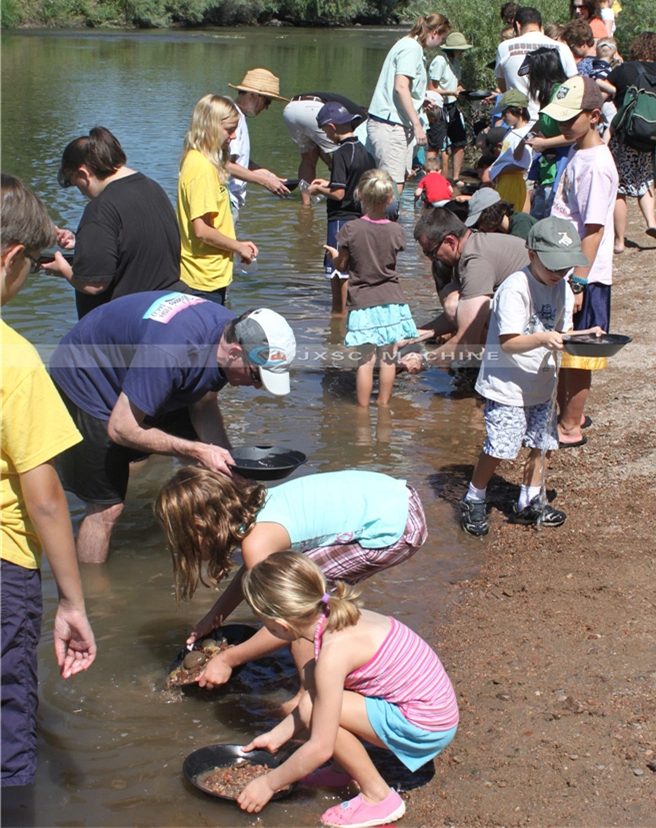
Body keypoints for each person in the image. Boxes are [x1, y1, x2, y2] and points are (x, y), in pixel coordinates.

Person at [49, 294, 295, 563]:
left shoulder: (226, 336)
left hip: (144, 369)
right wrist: (197, 449)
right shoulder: (172, 350)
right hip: (88, 379)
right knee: (107, 508)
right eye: (257, 376)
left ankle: (210, 559)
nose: (259, 386)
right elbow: (120, 427)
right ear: (235, 352)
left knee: (215, 470)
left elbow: (204, 403)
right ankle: (92, 594)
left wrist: (229, 463)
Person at [234, 551, 459, 825]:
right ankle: (343, 770)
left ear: (281, 626)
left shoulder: (333, 653)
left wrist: (268, 783)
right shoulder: (337, 615)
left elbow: (320, 747)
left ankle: (378, 796)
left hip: (425, 726)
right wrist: (277, 735)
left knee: (311, 708)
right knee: (319, 698)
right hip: (437, 712)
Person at [154, 468, 427, 689]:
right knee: (299, 592)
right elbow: (254, 569)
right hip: (396, 497)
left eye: (181, 540)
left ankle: (312, 694)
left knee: (299, 609)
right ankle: (325, 670)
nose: (180, 549)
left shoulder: (256, 543)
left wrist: (227, 659)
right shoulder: (252, 511)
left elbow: (288, 622)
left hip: (394, 527)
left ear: (201, 529)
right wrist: (215, 616)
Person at [1, 175, 96, 788]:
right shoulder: (14, 359)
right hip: (4, 565)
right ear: (11, 258)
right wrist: (72, 601)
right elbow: (46, 498)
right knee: (8, 726)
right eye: (32, 269)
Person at [458, 217, 589, 536]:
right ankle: (474, 497)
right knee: (500, 446)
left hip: (542, 382)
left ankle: (529, 501)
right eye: (553, 267)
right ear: (531, 255)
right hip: (507, 385)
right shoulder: (515, 287)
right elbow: (509, 342)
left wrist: (588, 336)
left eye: (565, 267)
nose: (559, 274)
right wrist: (545, 338)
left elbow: (563, 334)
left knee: (541, 444)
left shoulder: (564, 290)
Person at [542, 76, 618, 447]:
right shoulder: (578, 151)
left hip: (584, 275)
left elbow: (594, 230)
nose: (561, 126)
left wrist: (579, 283)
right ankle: (568, 415)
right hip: (569, 270)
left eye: (568, 119)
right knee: (566, 348)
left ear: (592, 116)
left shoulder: (596, 166)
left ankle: (570, 427)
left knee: (580, 355)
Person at [46, 127, 181, 319]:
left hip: (122, 326)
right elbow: (136, 241)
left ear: (84, 174)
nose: (82, 193)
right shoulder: (153, 188)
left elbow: (94, 284)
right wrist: (83, 242)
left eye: (77, 185)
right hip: (164, 314)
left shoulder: (100, 208)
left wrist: (65, 271)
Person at [324, 169, 418, 407]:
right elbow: (391, 266)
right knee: (388, 357)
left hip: (363, 302)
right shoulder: (396, 230)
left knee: (365, 360)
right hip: (392, 300)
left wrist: (334, 255)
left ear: (359, 195)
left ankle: (362, 412)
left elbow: (343, 266)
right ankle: (383, 406)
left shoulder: (350, 229)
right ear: (390, 199)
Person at [409, 208, 528, 368]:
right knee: (452, 295)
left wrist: (423, 360)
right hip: (523, 311)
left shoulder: (475, 262)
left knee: (452, 303)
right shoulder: (472, 244)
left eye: (431, 252)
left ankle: (504, 364)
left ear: (450, 241)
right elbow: (464, 314)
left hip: (532, 328)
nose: (432, 259)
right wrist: (414, 335)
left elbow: (467, 341)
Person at [177, 94, 261, 305]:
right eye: (229, 129)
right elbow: (202, 230)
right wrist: (237, 247)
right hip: (202, 280)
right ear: (209, 127)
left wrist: (237, 244)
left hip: (208, 275)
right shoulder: (202, 168)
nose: (233, 136)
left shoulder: (203, 160)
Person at [602, 32, 656, 251]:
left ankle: (619, 240)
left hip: (624, 136)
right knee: (645, 180)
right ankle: (652, 221)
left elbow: (606, 90)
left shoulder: (624, 70)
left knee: (619, 189)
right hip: (650, 136)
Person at [367, 12, 451, 195]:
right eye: (442, 38)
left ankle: (391, 221)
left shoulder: (410, 45)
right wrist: (417, 125)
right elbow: (400, 87)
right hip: (390, 125)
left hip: (395, 124)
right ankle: (385, 222)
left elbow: (404, 88)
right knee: (390, 187)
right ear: (435, 32)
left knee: (397, 181)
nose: (441, 44)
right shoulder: (411, 48)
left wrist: (420, 99)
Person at [304, 102, 376, 314]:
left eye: (324, 130)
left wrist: (318, 191)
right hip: (360, 219)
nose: (325, 135)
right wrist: (327, 183)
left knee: (338, 275)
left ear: (332, 126)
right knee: (354, 274)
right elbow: (354, 185)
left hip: (339, 220)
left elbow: (339, 193)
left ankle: (338, 324)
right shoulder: (364, 152)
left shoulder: (341, 153)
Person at [282, 91, 369, 205]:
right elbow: (350, 154)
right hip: (313, 108)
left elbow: (321, 148)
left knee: (308, 158)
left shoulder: (347, 107)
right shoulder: (362, 120)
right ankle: (343, 195)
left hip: (290, 109)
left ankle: (306, 205)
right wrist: (332, 165)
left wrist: (330, 163)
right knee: (343, 151)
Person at [226, 69, 291, 217]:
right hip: (225, 199)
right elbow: (225, 164)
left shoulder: (240, 115)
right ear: (253, 95)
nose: (267, 107)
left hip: (231, 199)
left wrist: (267, 175)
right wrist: (264, 181)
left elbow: (237, 160)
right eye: (267, 101)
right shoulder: (232, 117)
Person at [493, 7, 578, 119]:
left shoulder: (504, 47)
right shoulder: (562, 48)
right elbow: (574, 85)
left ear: (518, 25)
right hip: (552, 120)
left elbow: (503, 87)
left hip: (520, 121)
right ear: (541, 27)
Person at [520, 47, 573, 220]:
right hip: (547, 165)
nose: (529, 78)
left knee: (549, 216)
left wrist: (544, 144)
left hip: (562, 165)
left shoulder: (561, 94)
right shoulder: (548, 96)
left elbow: (574, 134)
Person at [427, 31, 473, 184]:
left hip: (451, 105)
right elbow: (431, 88)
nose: (462, 52)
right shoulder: (440, 61)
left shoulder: (455, 62)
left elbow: (456, 83)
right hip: (437, 106)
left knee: (460, 142)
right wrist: (452, 91)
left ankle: (455, 178)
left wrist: (465, 92)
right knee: (435, 144)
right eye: (460, 49)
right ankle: (430, 180)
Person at [487, 89, 534, 213]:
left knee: (506, 215)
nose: (502, 117)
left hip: (512, 181)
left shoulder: (525, 134)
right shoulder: (511, 131)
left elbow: (524, 164)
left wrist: (501, 170)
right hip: (504, 180)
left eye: (505, 113)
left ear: (519, 110)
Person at [465, 187, 537, 240]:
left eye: (481, 221)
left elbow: (519, 253)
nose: (480, 227)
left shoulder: (521, 222)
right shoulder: (500, 232)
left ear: (491, 214)